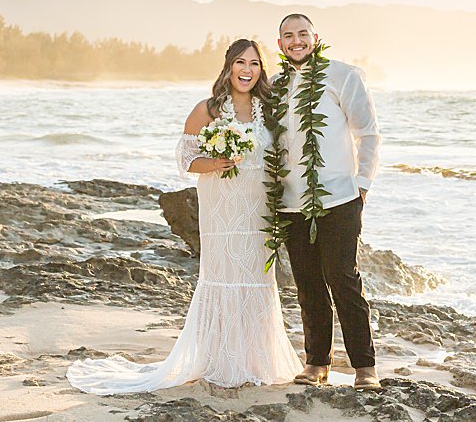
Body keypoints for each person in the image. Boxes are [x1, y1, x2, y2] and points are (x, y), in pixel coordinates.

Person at [67, 39, 302, 393]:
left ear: (261, 70)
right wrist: (218, 162)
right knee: (223, 274)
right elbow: (186, 160)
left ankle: (256, 358)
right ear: (228, 67)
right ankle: (218, 357)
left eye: (254, 64)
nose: (247, 70)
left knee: (257, 276)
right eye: (240, 63)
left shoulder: (270, 109)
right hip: (221, 206)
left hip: (258, 208)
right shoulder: (207, 109)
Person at [270, 12, 382, 391]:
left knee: (342, 278)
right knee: (307, 284)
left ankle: (365, 366)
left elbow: (368, 133)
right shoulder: (274, 86)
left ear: (315, 38)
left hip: (340, 196)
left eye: (303, 34)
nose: (296, 40)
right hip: (290, 202)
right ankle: (317, 362)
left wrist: (363, 183)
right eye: (289, 36)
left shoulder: (343, 75)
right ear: (280, 44)